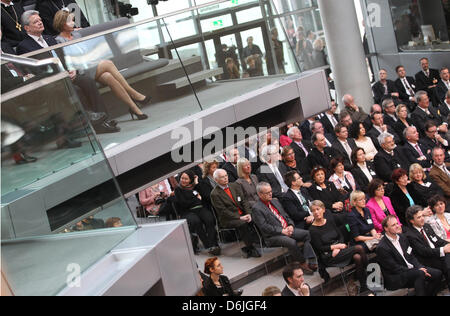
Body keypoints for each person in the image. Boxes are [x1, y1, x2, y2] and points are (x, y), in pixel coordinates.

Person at [53, 10, 151, 121]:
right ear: (62, 23)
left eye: (73, 21)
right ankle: (134, 94)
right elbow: (68, 60)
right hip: (79, 70)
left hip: (90, 65)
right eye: (70, 21)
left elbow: (89, 52)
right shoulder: (58, 41)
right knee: (107, 63)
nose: (73, 23)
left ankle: (134, 108)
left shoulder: (77, 34)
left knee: (109, 77)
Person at [252, 182, 317, 275]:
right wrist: (282, 231)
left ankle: (310, 258)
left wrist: (291, 225)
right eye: (267, 193)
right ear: (260, 194)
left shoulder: (275, 201)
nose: (270, 194)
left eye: (271, 191)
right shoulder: (257, 208)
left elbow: (286, 215)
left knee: (308, 234)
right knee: (291, 242)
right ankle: (302, 263)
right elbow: (264, 227)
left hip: (287, 228)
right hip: (273, 236)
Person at [309, 200, 371, 293]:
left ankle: (363, 287)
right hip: (329, 256)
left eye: (318, 209)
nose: (316, 212)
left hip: (340, 250)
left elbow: (340, 236)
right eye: (313, 211)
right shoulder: (312, 229)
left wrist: (338, 247)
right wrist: (335, 247)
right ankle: (370, 273)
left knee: (357, 257)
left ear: (324, 210)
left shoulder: (329, 221)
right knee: (359, 248)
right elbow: (320, 247)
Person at [376, 215, 443, 296]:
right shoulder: (382, 247)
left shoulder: (402, 237)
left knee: (437, 274)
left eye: (397, 223)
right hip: (396, 276)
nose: (397, 226)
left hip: (412, 270)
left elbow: (411, 256)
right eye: (393, 225)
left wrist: (419, 267)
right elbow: (394, 268)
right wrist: (416, 270)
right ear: (386, 228)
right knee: (419, 274)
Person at [210, 169, 261, 258]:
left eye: (226, 175)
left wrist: (248, 213)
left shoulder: (234, 185)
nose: (226, 178)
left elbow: (244, 201)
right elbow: (223, 211)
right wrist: (239, 217)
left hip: (243, 214)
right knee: (243, 224)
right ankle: (250, 247)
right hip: (229, 219)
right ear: (216, 180)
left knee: (257, 215)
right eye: (222, 177)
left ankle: (262, 241)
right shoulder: (215, 194)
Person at [174, 170, 220, 256]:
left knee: (209, 218)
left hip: (200, 208)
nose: (183, 180)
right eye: (182, 178)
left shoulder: (196, 186)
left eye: (186, 179)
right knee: (196, 221)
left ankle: (214, 244)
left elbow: (205, 196)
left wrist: (197, 183)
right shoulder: (178, 189)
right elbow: (183, 203)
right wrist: (196, 199)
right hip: (187, 211)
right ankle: (209, 245)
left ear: (191, 179)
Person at [404, 205, 450, 290]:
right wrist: (443, 249)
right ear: (412, 221)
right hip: (427, 260)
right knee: (447, 264)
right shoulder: (410, 235)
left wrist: (447, 244)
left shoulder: (426, 226)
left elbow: (438, 241)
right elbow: (424, 251)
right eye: (419, 217)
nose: (422, 219)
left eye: (422, 216)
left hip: (437, 254)